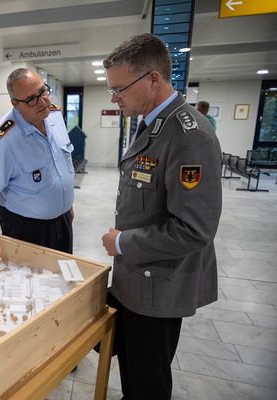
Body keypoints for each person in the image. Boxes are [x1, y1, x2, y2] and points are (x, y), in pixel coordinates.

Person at [100, 33, 222, 400]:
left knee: (148, 382)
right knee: (135, 373)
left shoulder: (189, 135)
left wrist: (121, 241)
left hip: (160, 285)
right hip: (137, 279)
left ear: (153, 79)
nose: (114, 97)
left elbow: (193, 229)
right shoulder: (153, 122)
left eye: (120, 88)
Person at [0, 68, 75, 264]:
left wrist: (66, 204)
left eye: (43, 91)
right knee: (28, 288)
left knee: (62, 278)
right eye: (32, 99)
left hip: (63, 221)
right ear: (16, 104)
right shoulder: (4, 139)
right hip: (27, 228)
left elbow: (61, 164)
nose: (43, 101)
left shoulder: (54, 116)